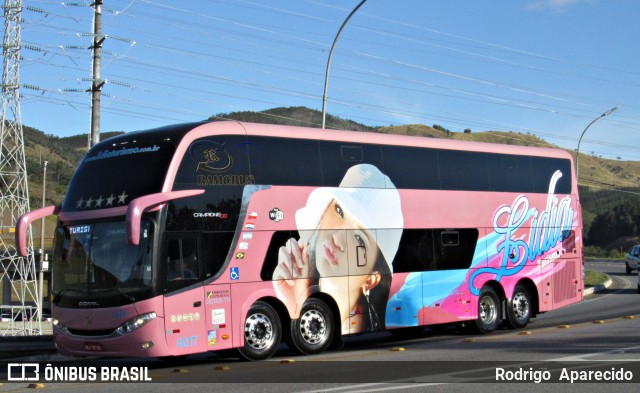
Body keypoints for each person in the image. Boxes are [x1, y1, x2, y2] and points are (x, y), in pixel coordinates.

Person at [272, 164, 403, 334]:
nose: (338, 238)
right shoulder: (310, 299)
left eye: (359, 238)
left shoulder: (355, 335)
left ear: (371, 279)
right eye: (339, 210)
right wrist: (294, 303)